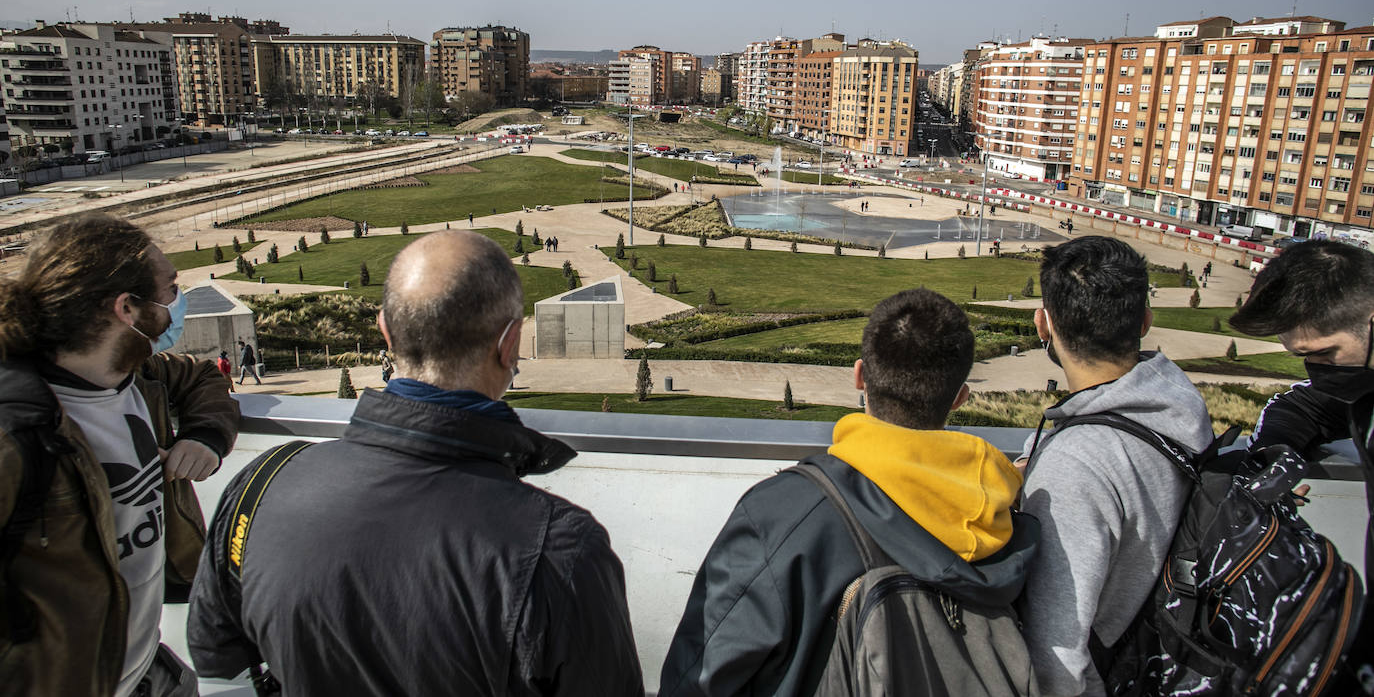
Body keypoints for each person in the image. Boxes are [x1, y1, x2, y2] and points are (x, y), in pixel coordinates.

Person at [189, 231, 642, 695]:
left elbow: (218, 662)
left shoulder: (261, 486)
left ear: (385, 330)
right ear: (510, 345)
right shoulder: (560, 549)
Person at [659, 289, 1038, 696]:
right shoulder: (1007, 519)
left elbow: (699, 678)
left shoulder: (783, 513)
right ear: (961, 398)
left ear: (859, 376)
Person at [0, 213, 239, 696]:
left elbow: (201, 378)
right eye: (170, 288)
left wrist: (206, 437)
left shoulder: (133, 374)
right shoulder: (16, 435)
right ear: (127, 308)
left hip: (145, 668)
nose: (178, 300)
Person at [1016, 236, 1214, 696]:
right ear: (1144, 321)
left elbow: (1057, 655)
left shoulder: (1078, 464)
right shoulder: (1179, 404)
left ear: (1042, 325)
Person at [1229, 240, 1374, 693]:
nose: (1316, 371)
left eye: (1326, 354)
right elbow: (1302, 408)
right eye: (1303, 358)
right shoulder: (1362, 383)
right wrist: (1274, 465)